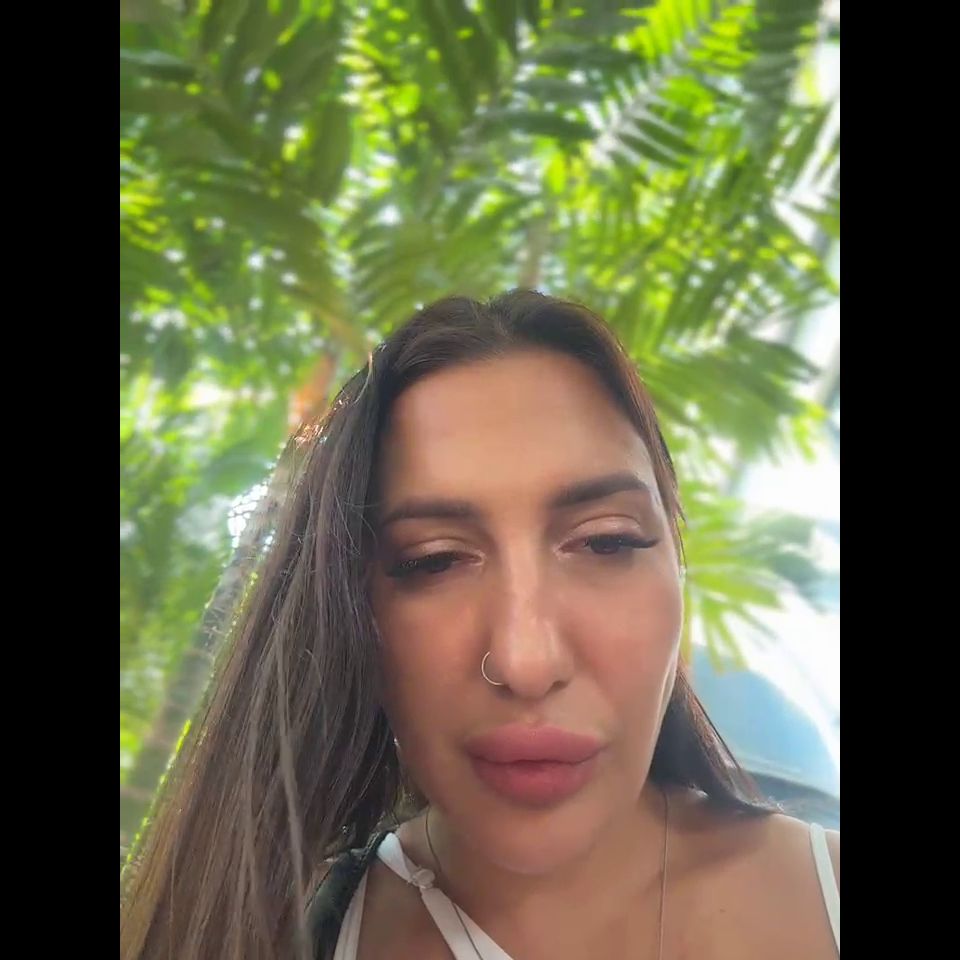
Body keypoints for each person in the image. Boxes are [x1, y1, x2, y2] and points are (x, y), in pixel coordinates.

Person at [120, 291, 839, 960]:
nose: (527, 661)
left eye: (606, 541)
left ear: (676, 572)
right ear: (352, 614)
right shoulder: (264, 932)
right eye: (433, 560)